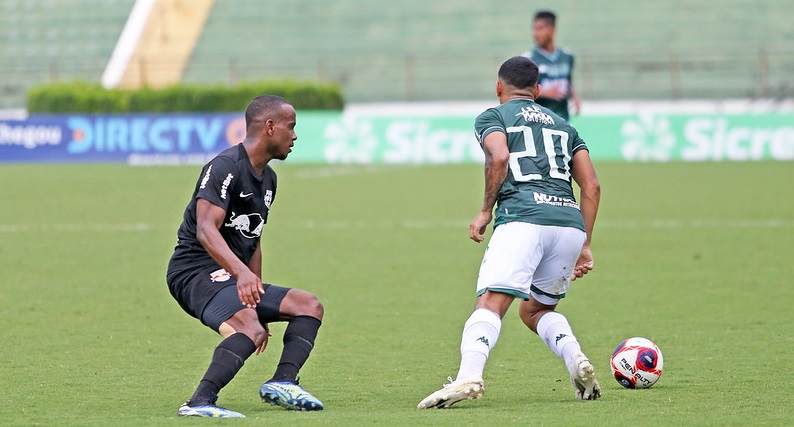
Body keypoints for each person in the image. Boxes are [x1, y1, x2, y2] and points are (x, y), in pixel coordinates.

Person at [418, 56, 602, 409]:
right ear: (537, 91)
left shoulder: (493, 116)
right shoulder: (565, 126)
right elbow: (591, 186)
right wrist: (586, 244)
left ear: (499, 86)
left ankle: (469, 375)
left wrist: (486, 210)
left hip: (523, 218)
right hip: (568, 224)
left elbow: (499, 157)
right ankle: (575, 357)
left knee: (490, 302)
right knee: (534, 311)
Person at [167, 95, 325, 417]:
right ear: (269, 127)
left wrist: (253, 294)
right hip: (194, 272)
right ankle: (198, 402)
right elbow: (206, 231)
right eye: (290, 127)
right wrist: (242, 277)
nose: (294, 136)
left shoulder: (268, 178)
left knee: (308, 305)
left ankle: (283, 383)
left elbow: (253, 239)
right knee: (248, 328)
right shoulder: (225, 166)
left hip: (231, 274)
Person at [522, 10, 580, 120]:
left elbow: (567, 80)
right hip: (539, 121)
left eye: (540, 29)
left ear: (552, 30)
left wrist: (574, 97)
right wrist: (543, 92)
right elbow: (520, 90)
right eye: (534, 29)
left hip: (563, 119)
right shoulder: (528, 59)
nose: (535, 33)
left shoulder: (567, 57)